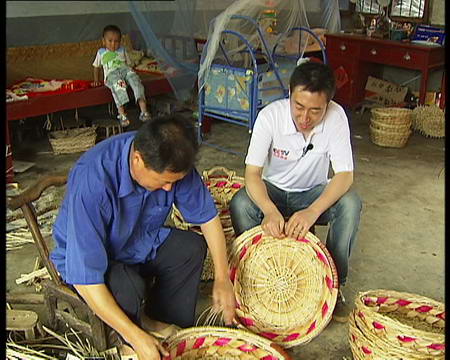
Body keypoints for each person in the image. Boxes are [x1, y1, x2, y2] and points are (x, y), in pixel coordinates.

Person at [50, 115, 236, 360]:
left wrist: (222, 278)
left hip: (137, 240)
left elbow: (207, 218)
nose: (170, 188)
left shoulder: (172, 159)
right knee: (128, 287)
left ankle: (167, 333)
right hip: (91, 257)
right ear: (137, 160)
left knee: (190, 249)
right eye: (164, 182)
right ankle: (130, 340)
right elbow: (87, 277)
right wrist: (135, 336)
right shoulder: (93, 180)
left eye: (175, 182)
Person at [229, 61, 362, 322]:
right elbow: (252, 174)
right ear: (289, 94)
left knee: (350, 204)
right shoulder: (270, 116)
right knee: (241, 203)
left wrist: (312, 212)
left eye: (315, 111)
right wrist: (269, 210)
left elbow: (345, 176)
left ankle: (334, 286)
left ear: (328, 104)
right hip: (274, 191)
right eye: (299, 107)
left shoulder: (336, 117)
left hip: (311, 193)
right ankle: (254, 276)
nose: (304, 118)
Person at [92, 24, 151, 127]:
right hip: (112, 74)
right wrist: (96, 80)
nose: (113, 44)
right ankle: (122, 114)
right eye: (110, 41)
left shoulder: (123, 50)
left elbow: (128, 64)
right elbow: (96, 67)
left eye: (116, 41)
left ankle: (143, 111)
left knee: (136, 81)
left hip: (125, 70)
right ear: (103, 41)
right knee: (119, 86)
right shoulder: (101, 53)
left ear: (120, 41)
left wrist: (130, 74)